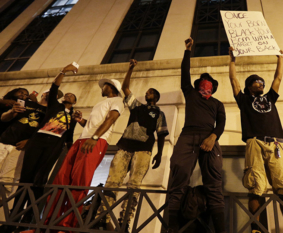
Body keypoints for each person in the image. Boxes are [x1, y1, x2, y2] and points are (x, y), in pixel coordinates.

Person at [1, 63, 79, 232]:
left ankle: (30, 220)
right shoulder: (55, 106)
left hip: (53, 147)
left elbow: (70, 138)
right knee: (25, 180)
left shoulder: (72, 117)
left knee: (40, 180)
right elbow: (55, 86)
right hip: (37, 142)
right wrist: (63, 71)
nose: (68, 95)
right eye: (67, 94)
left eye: (72, 95)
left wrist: (70, 153)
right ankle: (13, 220)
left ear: (74, 102)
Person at [228, 47, 283, 233]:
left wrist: (280, 59)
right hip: (254, 141)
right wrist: (232, 59)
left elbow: (278, 78)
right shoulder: (244, 100)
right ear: (249, 86)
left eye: (261, 82)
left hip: (275, 142)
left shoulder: (270, 98)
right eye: (256, 82)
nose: (260, 84)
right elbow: (233, 80)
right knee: (255, 185)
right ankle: (256, 228)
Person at [96, 59, 169, 230]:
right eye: (147, 91)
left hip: (144, 150)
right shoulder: (137, 107)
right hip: (125, 146)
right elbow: (125, 88)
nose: (147, 92)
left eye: (151, 92)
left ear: (156, 97)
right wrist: (130, 69)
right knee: (113, 180)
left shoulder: (159, 113)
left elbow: (161, 134)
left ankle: (125, 220)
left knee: (134, 185)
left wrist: (159, 153)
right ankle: (103, 216)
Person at [43, 78, 125, 229]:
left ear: (111, 87)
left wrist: (95, 137)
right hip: (82, 140)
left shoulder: (118, 101)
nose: (102, 87)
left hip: (96, 141)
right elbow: (93, 124)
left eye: (105, 85)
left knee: (80, 182)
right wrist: (81, 121)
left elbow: (111, 119)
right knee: (62, 180)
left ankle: (67, 225)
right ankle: (48, 222)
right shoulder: (101, 103)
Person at [167, 37, 226, 233]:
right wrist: (187, 51)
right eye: (202, 82)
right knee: (179, 175)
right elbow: (185, 73)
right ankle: (173, 227)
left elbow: (222, 123)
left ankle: (221, 229)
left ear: (214, 88)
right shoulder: (191, 94)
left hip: (209, 137)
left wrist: (213, 137)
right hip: (188, 136)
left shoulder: (217, 103)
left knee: (214, 182)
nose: (205, 84)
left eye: (209, 83)